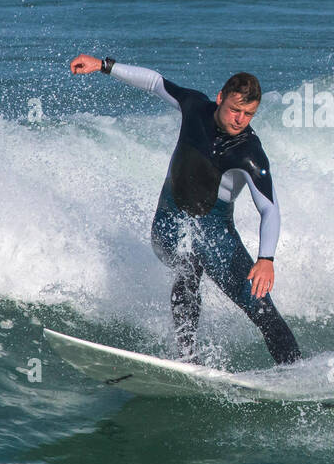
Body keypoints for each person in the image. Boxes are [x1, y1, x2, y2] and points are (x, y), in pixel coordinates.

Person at [69, 54, 302, 365]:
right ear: (220, 99)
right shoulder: (194, 107)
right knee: (187, 265)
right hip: (168, 222)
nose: (239, 120)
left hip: (217, 233)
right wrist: (104, 65)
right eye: (234, 109)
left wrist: (266, 259)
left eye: (248, 114)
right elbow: (155, 82)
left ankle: (297, 372)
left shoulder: (250, 154)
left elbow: (270, 210)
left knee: (260, 306)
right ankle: (188, 358)